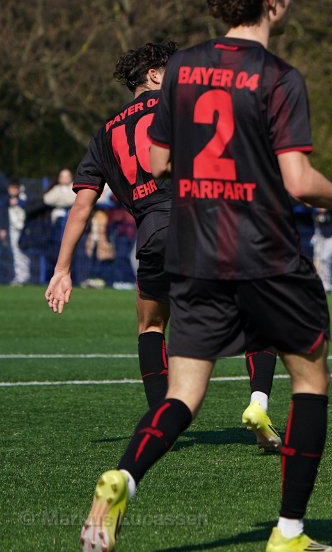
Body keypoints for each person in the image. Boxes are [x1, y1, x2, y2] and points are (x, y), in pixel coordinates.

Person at [80, 0, 332, 552]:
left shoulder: (182, 69)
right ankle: (289, 534)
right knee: (310, 378)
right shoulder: (279, 77)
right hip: (265, 250)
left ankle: (123, 479)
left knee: (183, 395)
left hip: (194, 251)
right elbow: (299, 182)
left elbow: (158, 161)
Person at [46, 41, 283, 445]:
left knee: (151, 325)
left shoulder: (105, 133)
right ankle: (258, 402)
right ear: (155, 75)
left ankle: (161, 423)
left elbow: (82, 206)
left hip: (154, 235)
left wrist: (62, 270)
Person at [5, 180, 30, 285]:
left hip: (23, 230)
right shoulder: (6, 199)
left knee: (22, 253)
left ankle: (23, 277)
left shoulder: (24, 198)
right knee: (16, 253)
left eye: (15, 188)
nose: (12, 190)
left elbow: (29, 206)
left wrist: (18, 202)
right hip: (12, 230)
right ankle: (20, 276)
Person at [312, 208, 332, 296]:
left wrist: (325, 207)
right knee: (329, 261)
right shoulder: (316, 209)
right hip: (322, 236)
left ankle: (326, 285)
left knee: (325, 258)